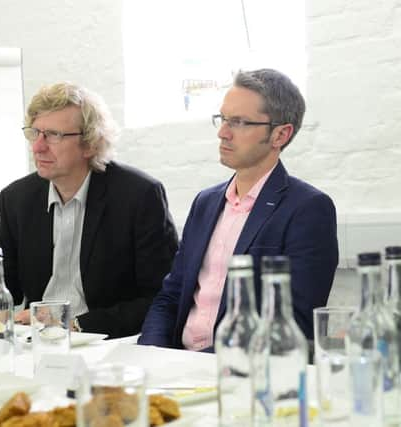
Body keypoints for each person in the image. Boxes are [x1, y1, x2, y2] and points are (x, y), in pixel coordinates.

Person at [138, 69, 339, 350]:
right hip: (178, 366)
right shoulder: (205, 203)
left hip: (241, 373)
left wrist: (202, 363)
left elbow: (293, 323)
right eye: (222, 119)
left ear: (280, 134)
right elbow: (171, 296)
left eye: (239, 122)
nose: (223, 133)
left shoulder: (307, 209)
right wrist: (152, 353)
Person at [0, 82, 179, 338]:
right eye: (35, 133)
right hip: (34, 341)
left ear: (90, 143)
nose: (38, 147)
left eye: (54, 135)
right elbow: (3, 286)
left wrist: (74, 324)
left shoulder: (139, 196)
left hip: (107, 341)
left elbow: (162, 297)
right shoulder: (16, 199)